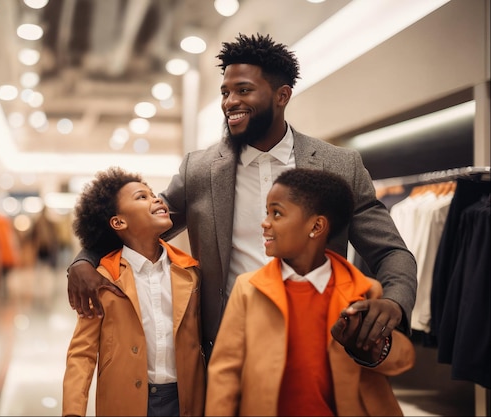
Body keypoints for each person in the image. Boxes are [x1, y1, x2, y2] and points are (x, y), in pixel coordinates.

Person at [67, 33, 417, 362]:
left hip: (318, 348)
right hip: (228, 351)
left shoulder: (339, 166)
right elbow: (138, 227)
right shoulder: (200, 170)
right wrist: (83, 261)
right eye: (225, 92)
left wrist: (394, 301)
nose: (230, 102)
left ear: (282, 95)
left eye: (244, 90)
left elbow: (390, 251)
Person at [205, 168, 416, 416]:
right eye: (267, 212)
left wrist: (370, 348)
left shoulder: (364, 291)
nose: (265, 222)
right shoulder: (248, 289)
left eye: (277, 213)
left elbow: (402, 361)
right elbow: (225, 373)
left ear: (316, 226)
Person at [61, 167, 205, 417]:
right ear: (118, 222)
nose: (157, 199)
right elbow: (82, 353)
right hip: (124, 401)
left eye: (153, 194)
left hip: (185, 401)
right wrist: (73, 411)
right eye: (142, 197)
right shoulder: (103, 280)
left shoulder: (190, 273)